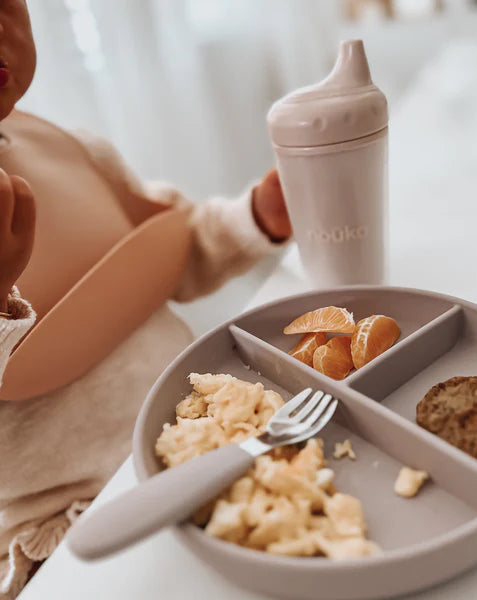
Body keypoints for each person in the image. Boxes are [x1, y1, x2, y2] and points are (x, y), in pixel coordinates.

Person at [0, 2, 291, 597]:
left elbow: (173, 251)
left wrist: (255, 216)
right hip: (79, 531)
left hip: (216, 441)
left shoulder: (74, 150)